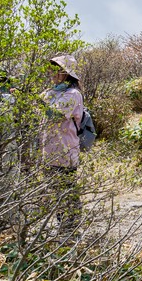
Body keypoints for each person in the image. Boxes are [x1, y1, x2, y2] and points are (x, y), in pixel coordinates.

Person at [41, 54, 85, 223]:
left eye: (56, 70)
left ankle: (71, 227)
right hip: (49, 151)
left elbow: (55, 114)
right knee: (55, 191)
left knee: (67, 190)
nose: (51, 73)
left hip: (65, 151)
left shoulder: (73, 94)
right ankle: (63, 226)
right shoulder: (50, 92)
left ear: (66, 73)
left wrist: (35, 101)